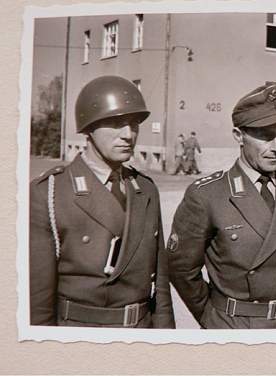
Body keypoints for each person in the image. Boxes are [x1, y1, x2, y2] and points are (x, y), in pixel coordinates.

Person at [30, 75, 176, 328]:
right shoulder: (51, 192)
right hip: (82, 335)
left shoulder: (145, 188)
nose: (128, 134)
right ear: (89, 128)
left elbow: (160, 285)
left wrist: (166, 339)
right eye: (117, 123)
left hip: (142, 331)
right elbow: (39, 303)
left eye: (133, 124)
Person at [167, 84, 276, 329]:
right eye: (265, 136)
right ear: (238, 135)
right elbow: (180, 268)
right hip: (232, 327)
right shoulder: (208, 194)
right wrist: (212, 316)